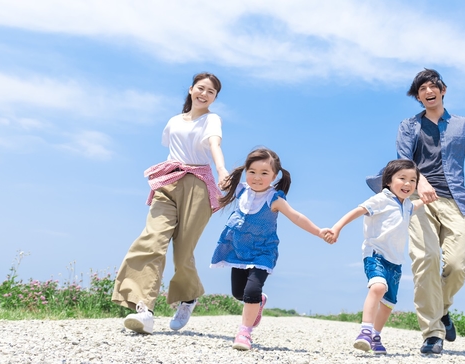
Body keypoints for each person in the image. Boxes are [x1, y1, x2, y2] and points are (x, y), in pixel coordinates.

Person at [367, 68, 465, 354]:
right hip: (417, 200)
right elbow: (404, 161)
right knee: (426, 259)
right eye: (421, 89)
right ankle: (432, 333)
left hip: (454, 200)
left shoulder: (464, 126)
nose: (428, 91)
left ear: (443, 89)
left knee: (457, 264)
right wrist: (421, 182)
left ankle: (441, 308)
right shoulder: (408, 126)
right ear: (417, 96)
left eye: (432, 86)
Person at [111, 72, 230, 335]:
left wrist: (222, 171)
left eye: (211, 92)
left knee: (183, 251)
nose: (204, 94)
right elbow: (174, 149)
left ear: (214, 98)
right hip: (169, 181)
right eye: (201, 88)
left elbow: (214, 144)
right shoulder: (174, 121)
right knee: (152, 238)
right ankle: (144, 310)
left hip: (197, 184)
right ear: (190, 90)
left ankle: (188, 297)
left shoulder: (212, 119)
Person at [210, 147, 332, 351]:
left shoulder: (274, 199)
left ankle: (244, 333)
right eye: (252, 172)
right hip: (238, 250)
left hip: (262, 252)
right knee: (238, 293)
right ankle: (259, 301)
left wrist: (319, 231)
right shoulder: (240, 190)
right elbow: (222, 178)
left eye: (264, 173)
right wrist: (222, 174)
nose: (257, 177)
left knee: (251, 291)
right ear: (246, 171)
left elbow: (297, 217)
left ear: (274, 176)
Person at [325, 159, 424, 355]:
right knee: (378, 287)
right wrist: (337, 228)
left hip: (395, 261)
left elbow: (417, 206)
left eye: (413, 180)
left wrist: (430, 198)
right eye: (402, 178)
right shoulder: (381, 199)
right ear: (388, 181)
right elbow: (357, 211)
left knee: (388, 304)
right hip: (375, 254)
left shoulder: (406, 204)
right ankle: (365, 331)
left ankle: (376, 335)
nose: (408, 184)